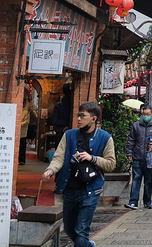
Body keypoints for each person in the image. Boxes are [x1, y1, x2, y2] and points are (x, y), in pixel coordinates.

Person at [43, 101, 116, 247]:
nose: (79, 119)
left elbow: (111, 164)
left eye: (83, 116)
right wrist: (51, 170)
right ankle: (88, 245)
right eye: (78, 115)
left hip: (91, 190)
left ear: (94, 118)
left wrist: (92, 158)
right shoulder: (69, 135)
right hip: (70, 188)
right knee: (69, 228)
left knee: (82, 229)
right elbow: (59, 157)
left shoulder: (105, 137)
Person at [124, 106, 152, 210]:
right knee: (136, 179)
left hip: (150, 158)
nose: (145, 116)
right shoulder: (136, 125)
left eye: (147, 114)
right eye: (144, 114)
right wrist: (129, 153)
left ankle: (147, 201)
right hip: (137, 156)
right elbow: (131, 140)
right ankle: (133, 201)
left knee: (148, 181)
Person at [19, 97, 36, 165]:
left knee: (22, 146)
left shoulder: (26, 111)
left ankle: (22, 160)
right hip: (18, 132)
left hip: (23, 132)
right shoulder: (20, 110)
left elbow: (26, 122)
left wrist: (18, 124)